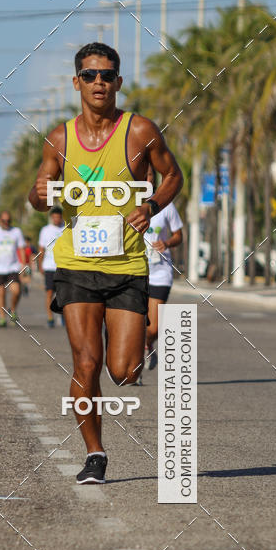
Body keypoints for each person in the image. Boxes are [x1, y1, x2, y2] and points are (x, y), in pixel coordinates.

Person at [29, 41, 183, 484]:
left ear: (118, 82)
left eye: (108, 75)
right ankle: (95, 454)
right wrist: (38, 196)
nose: (100, 82)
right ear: (76, 82)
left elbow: (174, 175)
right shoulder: (59, 139)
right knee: (86, 363)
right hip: (77, 264)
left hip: (128, 267)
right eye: (91, 75)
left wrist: (152, 206)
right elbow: (40, 193)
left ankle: (137, 359)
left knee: (124, 371)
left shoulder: (139, 132)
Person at [144, 167, 184, 370]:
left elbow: (179, 235)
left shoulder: (165, 204)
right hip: (133, 272)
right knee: (134, 324)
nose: (146, 177)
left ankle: (146, 343)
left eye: (150, 174)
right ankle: (135, 362)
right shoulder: (123, 202)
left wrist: (166, 243)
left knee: (155, 327)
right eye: (143, 173)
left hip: (160, 272)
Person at [0, 211, 25, 327]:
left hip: (13, 266)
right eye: (4, 221)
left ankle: (12, 310)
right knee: (1, 293)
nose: (6, 223)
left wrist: (23, 264)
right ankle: (2, 318)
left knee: (16, 291)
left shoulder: (16, 231)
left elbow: (21, 248)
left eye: (8, 221)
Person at [38, 206, 65, 327]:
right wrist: (40, 264)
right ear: (51, 218)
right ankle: (50, 318)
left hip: (63, 265)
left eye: (59, 217)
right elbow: (41, 248)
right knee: (49, 292)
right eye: (54, 217)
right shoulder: (45, 230)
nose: (57, 219)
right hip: (49, 266)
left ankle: (64, 316)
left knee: (63, 293)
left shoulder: (66, 228)